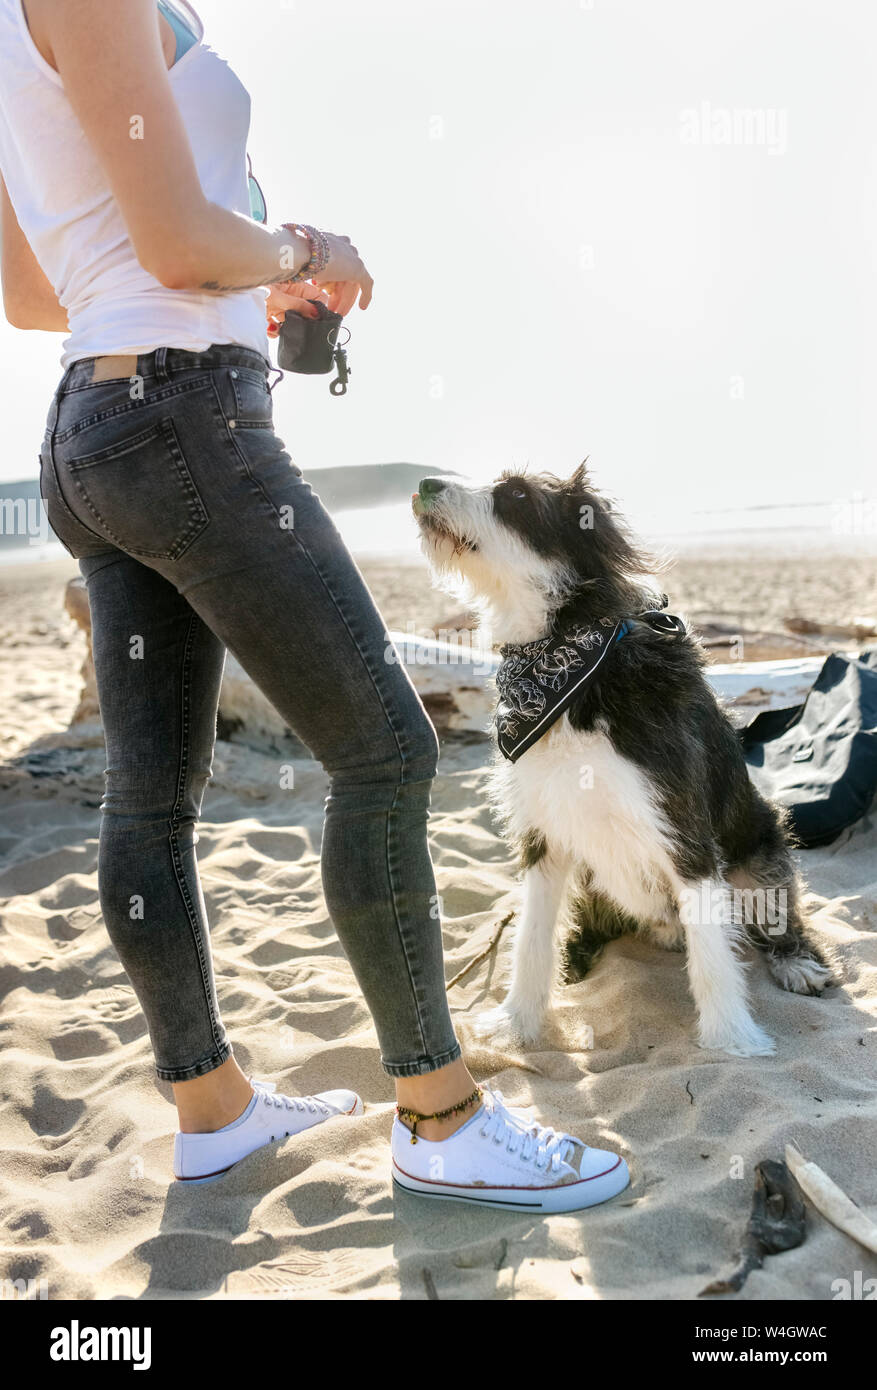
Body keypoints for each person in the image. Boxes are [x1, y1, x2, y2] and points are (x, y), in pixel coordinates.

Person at [0, 0, 629, 1211]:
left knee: (151, 794)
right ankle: (440, 1120)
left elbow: (36, 292)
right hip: (184, 418)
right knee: (387, 748)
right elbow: (180, 243)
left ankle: (213, 1110)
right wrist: (301, 250)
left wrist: (245, 285)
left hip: (97, 423)